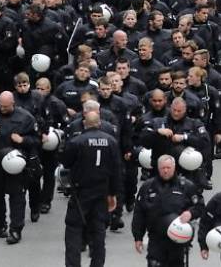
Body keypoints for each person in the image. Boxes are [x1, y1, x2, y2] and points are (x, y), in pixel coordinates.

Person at [61, 110, 121, 267]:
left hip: (81, 192)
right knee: (99, 232)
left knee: (74, 229)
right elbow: (116, 171)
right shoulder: (111, 141)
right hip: (102, 191)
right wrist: (113, 193)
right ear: (100, 123)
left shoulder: (77, 141)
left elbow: (66, 163)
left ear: (84, 124)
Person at [0, 91, 38, 244]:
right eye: (0, 106)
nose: (2, 109)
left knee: (17, 196)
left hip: (17, 164)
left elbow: (37, 140)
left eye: (6, 106)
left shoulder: (25, 118)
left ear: (13, 103)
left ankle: (16, 230)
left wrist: (22, 140)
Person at [132, 154, 205, 266]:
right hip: (156, 238)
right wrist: (138, 237)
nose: (165, 171)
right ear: (158, 168)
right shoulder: (148, 187)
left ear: (174, 167)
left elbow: (199, 206)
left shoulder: (186, 186)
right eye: (163, 168)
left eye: (168, 168)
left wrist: (190, 213)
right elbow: (139, 214)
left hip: (178, 239)